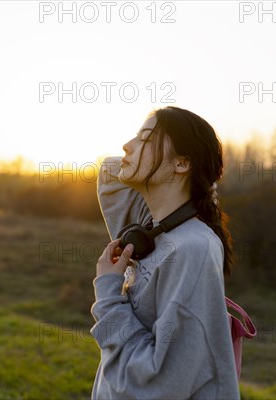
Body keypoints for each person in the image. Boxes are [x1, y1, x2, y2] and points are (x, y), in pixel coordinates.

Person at [90, 106, 240, 399]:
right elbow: (110, 172)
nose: (127, 146)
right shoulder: (151, 229)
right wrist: (198, 187)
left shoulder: (192, 249)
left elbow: (160, 384)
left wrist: (108, 293)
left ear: (182, 163)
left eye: (145, 138)